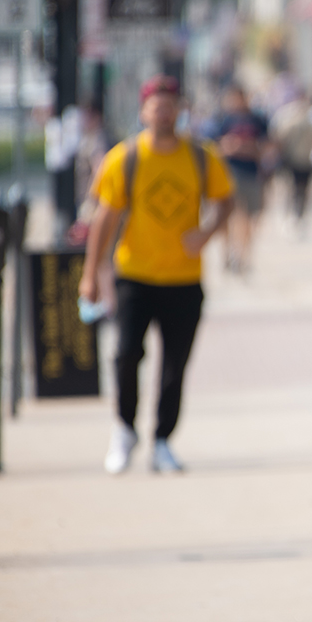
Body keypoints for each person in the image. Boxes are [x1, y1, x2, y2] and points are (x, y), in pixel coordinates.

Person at [79, 75, 235, 474]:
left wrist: (208, 231)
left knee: (174, 364)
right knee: (126, 353)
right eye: (155, 106)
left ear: (180, 110)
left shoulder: (201, 156)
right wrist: (92, 273)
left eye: (169, 106)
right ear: (143, 111)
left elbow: (225, 200)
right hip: (135, 274)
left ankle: (163, 439)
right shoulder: (125, 158)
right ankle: (125, 429)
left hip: (184, 278)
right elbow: (105, 219)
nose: (162, 113)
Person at [215, 85, 270, 273]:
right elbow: (214, 147)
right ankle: (230, 254)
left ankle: (243, 255)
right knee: (235, 216)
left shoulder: (257, 120)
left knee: (250, 217)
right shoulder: (224, 120)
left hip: (252, 173)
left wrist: (247, 148)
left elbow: (267, 147)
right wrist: (230, 147)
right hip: (230, 173)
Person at [269, 94, 312, 233]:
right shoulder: (310, 123)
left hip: (296, 161)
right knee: (300, 191)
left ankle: (293, 216)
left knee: (293, 191)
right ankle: (298, 216)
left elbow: (280, 140)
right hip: (301, 161)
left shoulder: (291, 123)